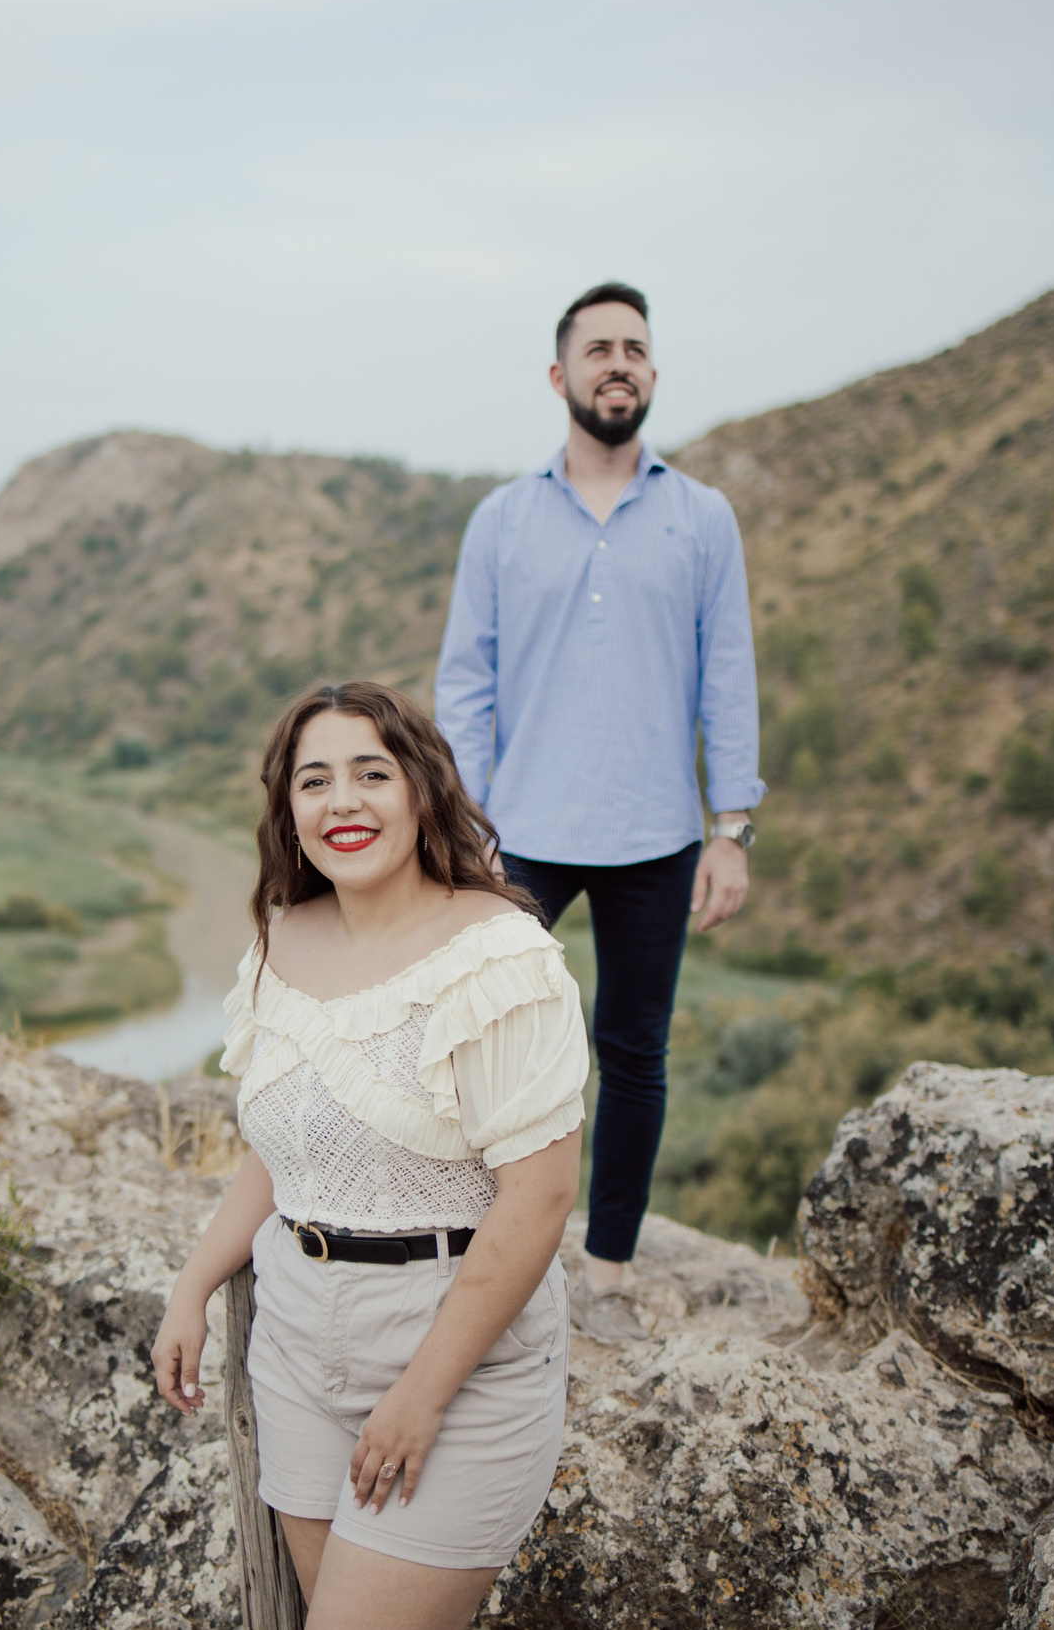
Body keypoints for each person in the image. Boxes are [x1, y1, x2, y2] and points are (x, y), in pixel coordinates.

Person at [152, 681, 587, 1629]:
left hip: (456, 1353)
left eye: (370, 773)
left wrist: (422, 1394)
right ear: (289, 812)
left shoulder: (502, 959)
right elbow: (286, 1156)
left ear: (422, 790)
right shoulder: (278, 939)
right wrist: (192, 1286)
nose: (341, 801)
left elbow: (540, 1199)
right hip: (298, 1345)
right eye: (314, 781)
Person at [434, 280, 763, 1342]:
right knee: (480, 1046)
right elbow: (464, 683)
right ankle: (470, 1255)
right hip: (518, 833)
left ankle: (608, 1274)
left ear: (651, 375)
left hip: (655, 835)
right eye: (597, 349)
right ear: (559, 376)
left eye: (634, 348)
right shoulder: (502, 518)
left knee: (631, 1053)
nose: (616, 363)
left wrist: (732, 830)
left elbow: (730, 680)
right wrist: (469, 818)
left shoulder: (701, 517)